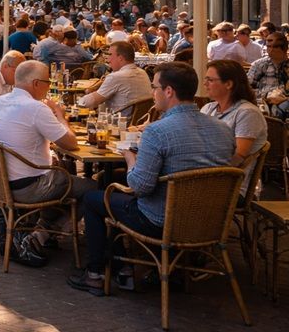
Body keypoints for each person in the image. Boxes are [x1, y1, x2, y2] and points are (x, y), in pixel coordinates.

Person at [69, 62, 236, 296]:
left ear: (169, 91)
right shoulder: (224, 129)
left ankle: (96, 274)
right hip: (211, 220)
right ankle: (167, 269)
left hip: (161, 220)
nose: (151, 93)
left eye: (154, 87)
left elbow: (140, 187)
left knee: (93, 199)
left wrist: (129, 157)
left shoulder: (157, 131)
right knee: (114, 188)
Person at [0, 61, 93, 265]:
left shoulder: (0, 101)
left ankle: (42, 228)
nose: (49, 85)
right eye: (47, 81)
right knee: (92, 188)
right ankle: (41, 235)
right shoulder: (36, 108)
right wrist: (60, 115)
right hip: (26, 187)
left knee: (63, 171)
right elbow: (70, 143)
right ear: (36, 83)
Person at [201, 60, 267, 198]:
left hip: (231, 186)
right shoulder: (208, 108)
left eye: (210, 80)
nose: (205, 84)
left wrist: (202, 171)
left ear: (229, 84)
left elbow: (238, 157)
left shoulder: (247, 113)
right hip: (204, 177)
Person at [77, 41, 153, 114]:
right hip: (140, 123)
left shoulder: (116, 77)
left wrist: (77, 101)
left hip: (118, 123)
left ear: (120, 58)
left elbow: (89, 102)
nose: (108, 59)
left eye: (110, 55)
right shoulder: (143, 73)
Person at [249, 32, 289, 118]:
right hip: (262, 102)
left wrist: (284, 99)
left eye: (275, 47)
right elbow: (248, 88)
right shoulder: (259, 65)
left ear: (284, 48)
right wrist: (267, 96)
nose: (270, 50)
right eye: (268, 46)